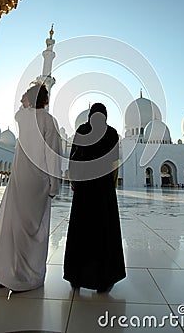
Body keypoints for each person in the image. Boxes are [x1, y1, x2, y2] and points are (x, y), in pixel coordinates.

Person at [0, 84, 62, 291]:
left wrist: (27, 100)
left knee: (13, 225)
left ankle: (4, 274)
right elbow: (52, 156)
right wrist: (55, 185)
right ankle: (24, 277)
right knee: (33, 230)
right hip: (38, 181)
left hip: (19, 179)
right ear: (45, 100)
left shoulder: (21, 117)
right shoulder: (49, 121)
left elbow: (21, 108)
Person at [63, 103, 126, 292]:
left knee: (80, 230)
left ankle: (76, 275)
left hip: (84, 188)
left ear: (90, 115)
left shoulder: (82, 130)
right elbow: (114, 160)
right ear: (105, 116)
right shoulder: (112, 133)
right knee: (104, 230)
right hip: (103, 189)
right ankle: (105, 278)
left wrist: (73, 181)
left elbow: (73, 158)